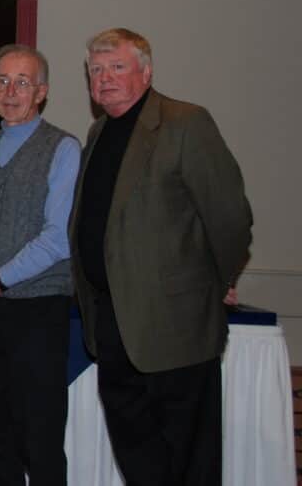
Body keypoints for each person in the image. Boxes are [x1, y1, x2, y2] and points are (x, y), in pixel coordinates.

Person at [70, 28, 252, 486]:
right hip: (113, 327)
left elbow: (230, 218)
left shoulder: (185, 123)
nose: (104, 78)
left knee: (188, 462)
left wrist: (216, 280)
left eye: (117, 67)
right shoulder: (98, 132)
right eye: (96, 69)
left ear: (146, 73)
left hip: (177, 327)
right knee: (139, 457)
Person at [0, 44, 80, 485]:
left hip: (38, 311)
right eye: (2, 81)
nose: (10, 91)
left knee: (38, 438)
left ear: (41, 92)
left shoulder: (63, 148)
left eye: (22, 82)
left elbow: (59, 236)